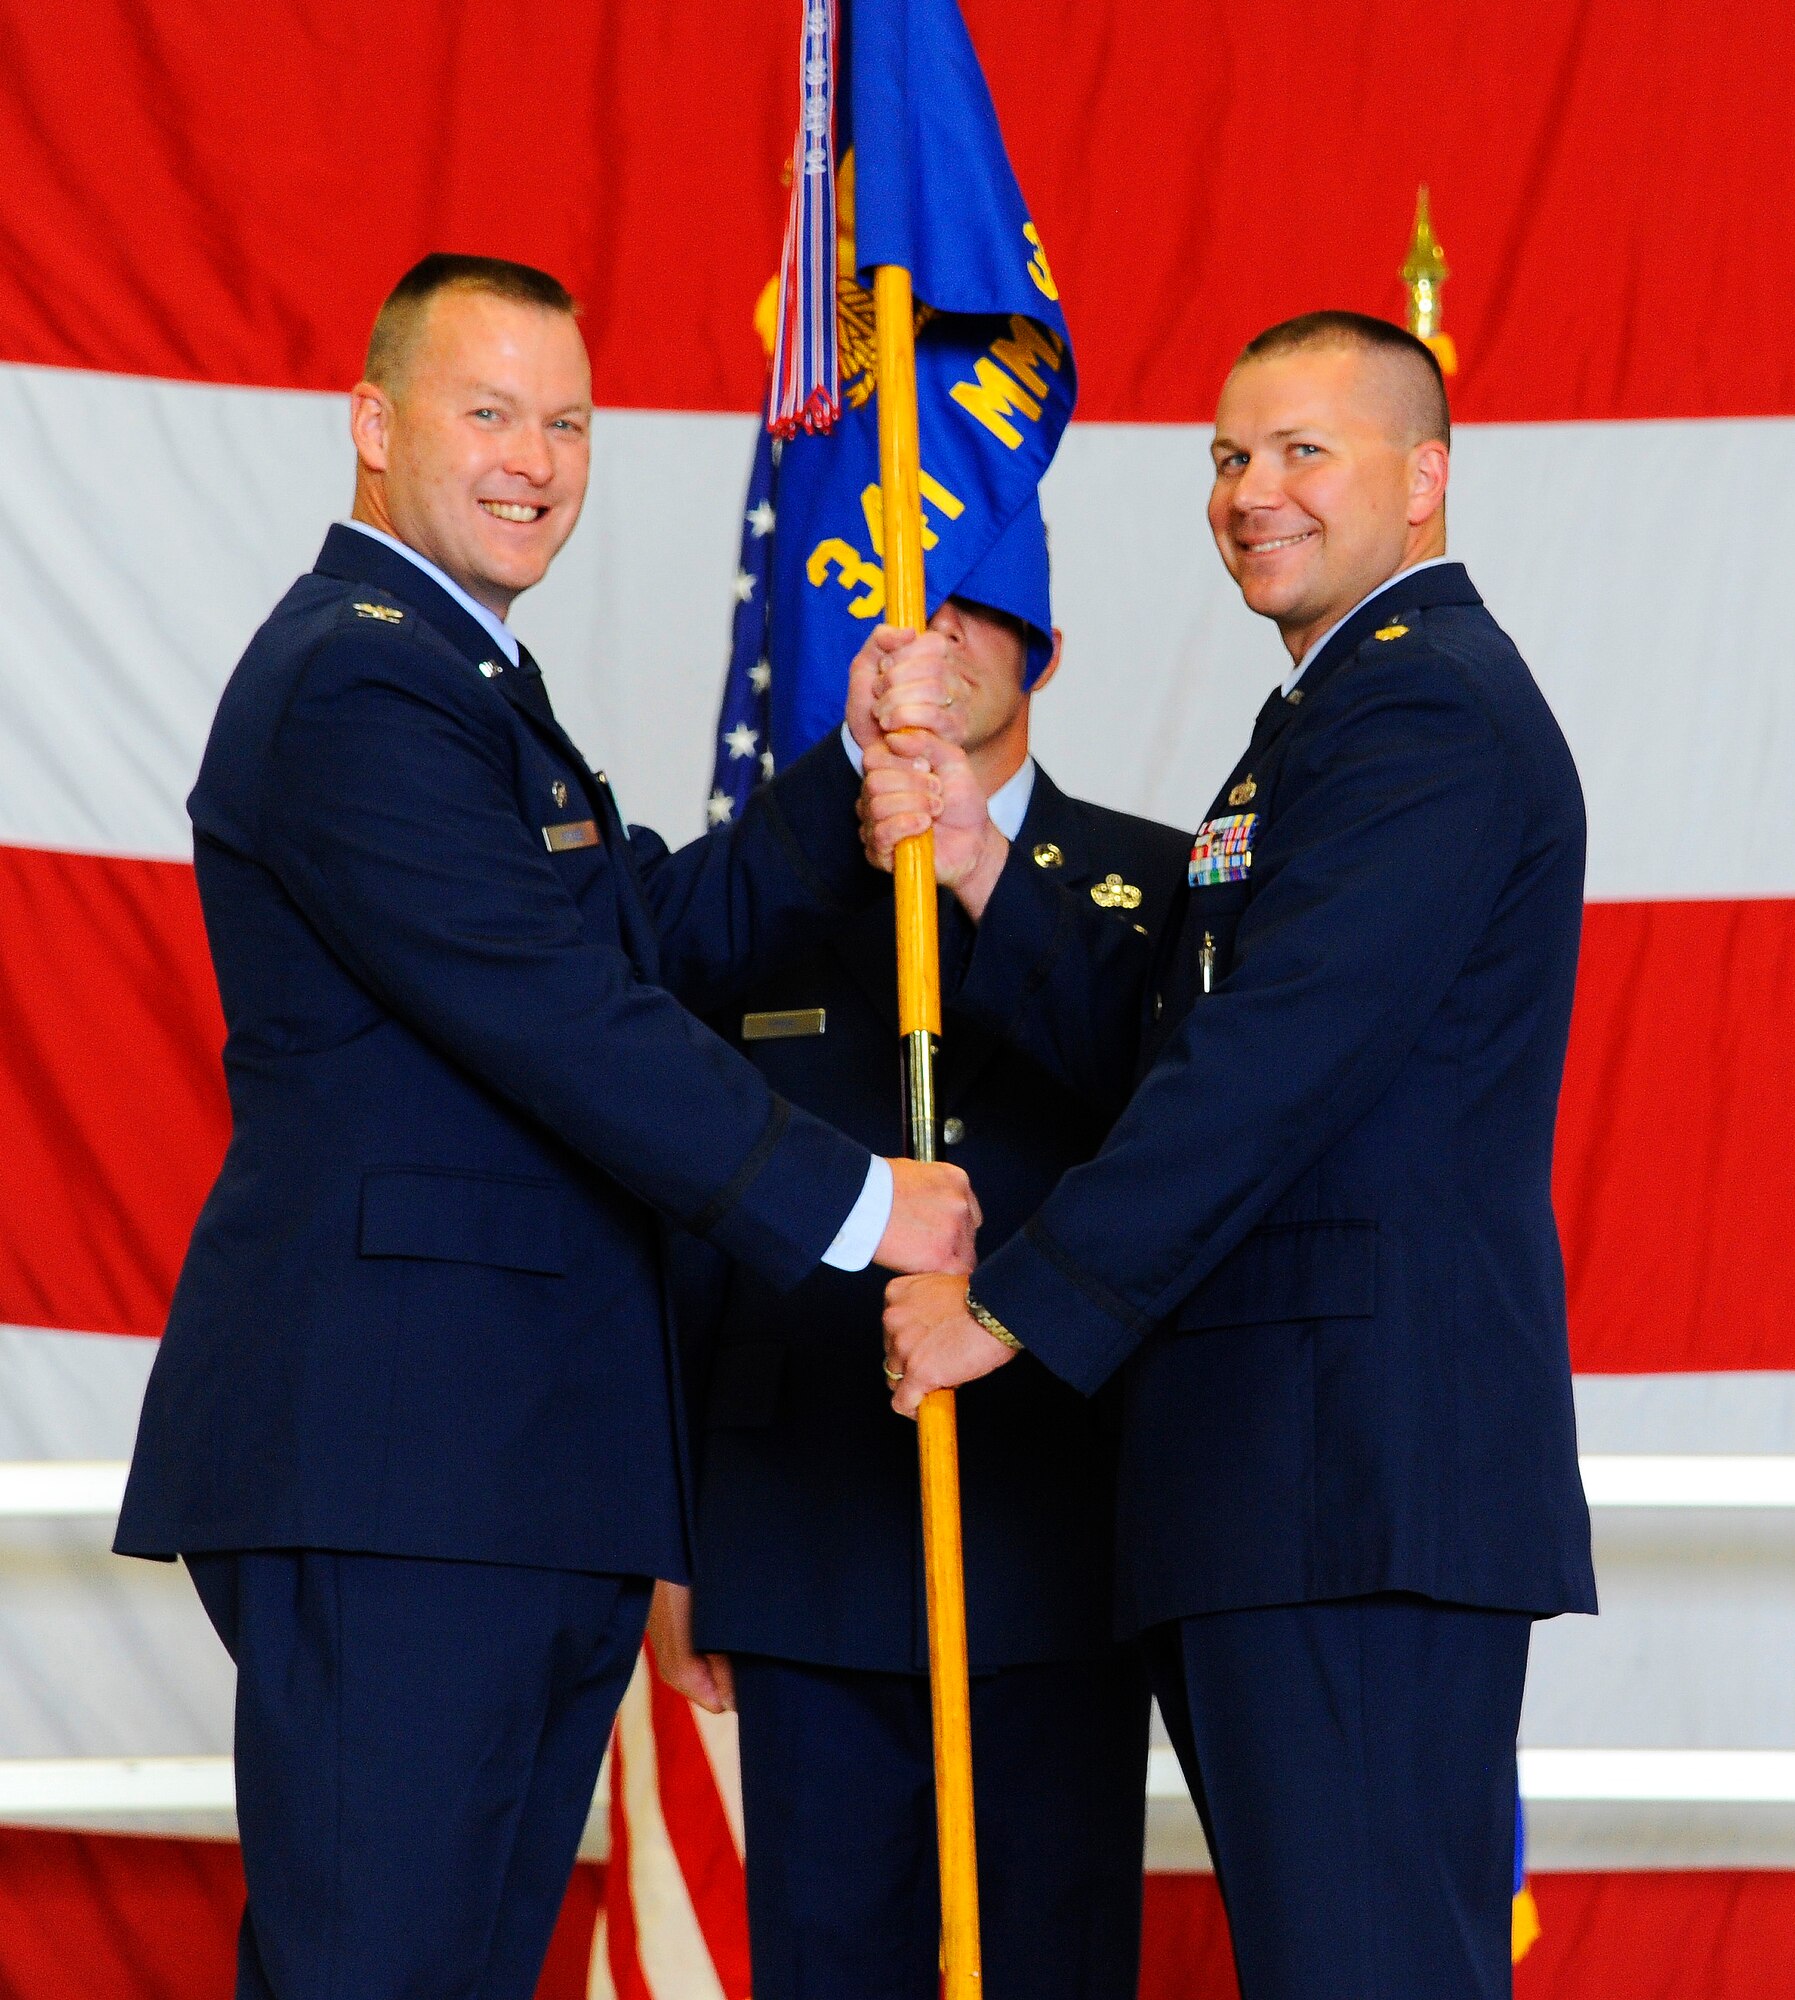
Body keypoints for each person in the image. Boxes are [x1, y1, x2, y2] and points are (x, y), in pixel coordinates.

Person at [113, 253, 979, 2000]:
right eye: (489, 410)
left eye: (568, 420)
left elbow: (630, 937)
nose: (536, 456)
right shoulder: (358, 684)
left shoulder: (464, 678)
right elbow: (557, 1014)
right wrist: (854, 1206)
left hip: (504, 1469)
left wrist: (840, 793)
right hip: (404, 1463)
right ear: (373, 427)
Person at [866, 311, 1597, 2000]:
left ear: (1424, 480)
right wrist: (985, 869)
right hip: (1286, 1480)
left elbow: (1276, 1065)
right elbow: (1193, 1018)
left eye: (1299, 451)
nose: (1250, 491)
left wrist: (1015, 1306)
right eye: (1224, 456)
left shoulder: (1425, 715)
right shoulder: (1332, 715)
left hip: (1354, 1479)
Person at [649, 511, 1188, 2000]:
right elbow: (689, 1228)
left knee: (1052, 1963)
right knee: (829, 1966)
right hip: (806, 1532)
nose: (931, 638)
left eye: (976, 614)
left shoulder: (1155, 891)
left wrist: (975, 886)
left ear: (1048, 653)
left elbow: (1185, 1151)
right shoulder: (763, 890)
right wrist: (681, 1537)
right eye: (901, 608)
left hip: (1056, 1539)